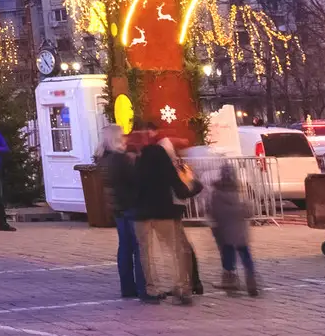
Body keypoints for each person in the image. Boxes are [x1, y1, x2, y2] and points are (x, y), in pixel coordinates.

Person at [129, 131, 199, 304]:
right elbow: (179, 188)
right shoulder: (162, 159)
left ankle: (152, 288)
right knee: (174, 251)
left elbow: (131, 188)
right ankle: (181, 288)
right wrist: (194, 186)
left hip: (140, 213)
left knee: (146, 253)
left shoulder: (138, 162)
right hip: (163, 211)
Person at [95, 126, 143, 300]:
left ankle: (127, 287)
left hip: (116, 205)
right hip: (128, 204)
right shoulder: (120, 159)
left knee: (124, 246)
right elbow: (134, 180)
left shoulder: (103, 158)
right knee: (138, 247)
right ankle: (143, 286)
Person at [207, 162, 259, 296]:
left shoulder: (217, 193)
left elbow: (215, 212)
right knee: (245, 254)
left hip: (225, 229)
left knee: (228, 253)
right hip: (240, 229)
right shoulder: (240, 190)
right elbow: (249, 210)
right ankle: (251, 279)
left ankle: (230, 279)